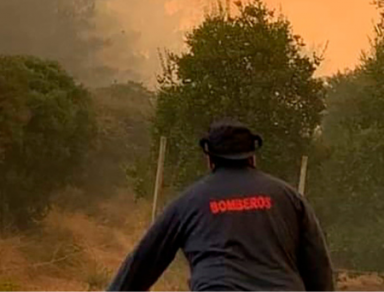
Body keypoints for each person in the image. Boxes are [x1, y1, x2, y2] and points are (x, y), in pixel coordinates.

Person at [108, 119, 334, 291]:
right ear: (252, 157)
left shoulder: (188, 202)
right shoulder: (290, 197)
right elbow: (318, 266)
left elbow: (142, 263)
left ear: (210, 159)